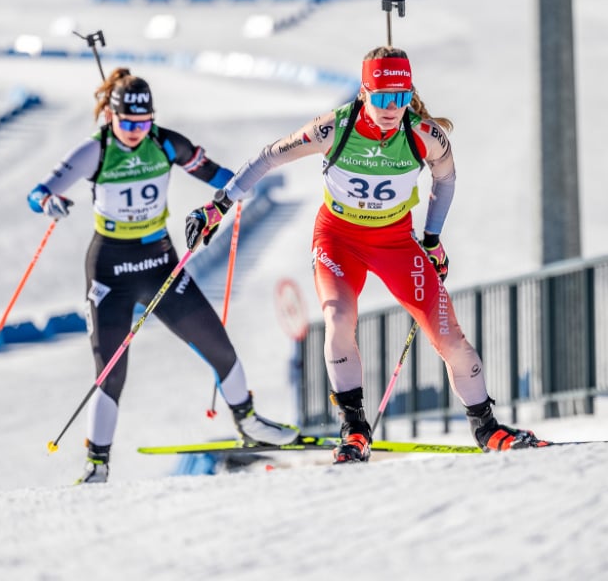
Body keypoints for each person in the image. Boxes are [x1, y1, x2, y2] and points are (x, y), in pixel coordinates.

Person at [185, 47, 549, 463]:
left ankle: (487, 429)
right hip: (339, 238)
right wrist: (219, 204)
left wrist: (431, 238)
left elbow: (445, 179)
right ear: (363, 93)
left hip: (395, 241)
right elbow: (270, 156)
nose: (390, 108)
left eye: (399, 97)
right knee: (338, 319)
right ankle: (354, 430)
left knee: (449, 335)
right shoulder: (334, 129)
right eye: (380, 97)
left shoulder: (424, 135)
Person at [28, 69, 299, 484]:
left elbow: (220, 177)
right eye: (127, 123)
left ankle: (247, 422)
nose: (136, 131)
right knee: (110, 372)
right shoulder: (95, 151)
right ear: (111, 117)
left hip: (159, 262)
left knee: (218, 346)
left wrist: (239, 190)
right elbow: (39, 192)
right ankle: (97, 465)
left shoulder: (166, 142)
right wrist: (50, 202)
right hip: (110, 268)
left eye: (144, 122)